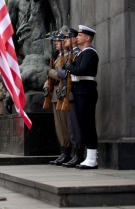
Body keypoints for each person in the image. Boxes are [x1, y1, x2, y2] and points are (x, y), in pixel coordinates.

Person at [62, 25, 99, 169]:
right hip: (79, 91)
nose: (77, 37)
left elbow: (81, 70)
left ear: (88, 38)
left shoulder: (90, 53)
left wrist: (70, 67)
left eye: (80, 35)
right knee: (83, 124)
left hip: (86, 90)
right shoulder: (82, 53)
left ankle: (92, 157)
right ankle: (89, 157)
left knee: (88, 124)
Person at [43, 31, 72, 166]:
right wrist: (45, 85)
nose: (56, 43)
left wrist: (50, 72)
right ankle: (63, 152)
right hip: (55, 94)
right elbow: (50, 77)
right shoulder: (57, 58)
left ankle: (67, 152)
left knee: (64, 125)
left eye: (59, 41)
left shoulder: (69, 56)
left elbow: (61, 74)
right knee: (58, 126)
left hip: (63, 93)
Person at [60, 28, 83, 168]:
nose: (64, 41)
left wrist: (61, 72)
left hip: (75, 91)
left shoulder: (78, 54)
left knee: (76, 125)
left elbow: (70, 72)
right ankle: (75, 153)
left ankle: (79, 154)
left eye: (68, 38)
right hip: (68, 92)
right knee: (70, 126)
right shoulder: (68, 55)